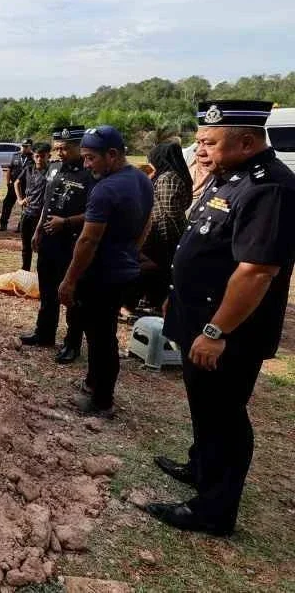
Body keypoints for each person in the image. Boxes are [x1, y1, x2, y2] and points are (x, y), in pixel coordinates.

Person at [148, 100, 294, 537]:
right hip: (200, 318)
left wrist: (215, 330)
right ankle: (200, 466)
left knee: (225, 415)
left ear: (247, 142)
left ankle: (213, 511)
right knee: (205, 406)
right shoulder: (230, 178)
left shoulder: (270, 189)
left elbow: (256, 271)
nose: (201, 152)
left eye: (209, 143)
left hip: (229, 332)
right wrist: (179, 297)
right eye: (199, 143)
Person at [57, 126, 154, 416]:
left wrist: (69, 280)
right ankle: (94, 383)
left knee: (101, 339)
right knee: (102, 333)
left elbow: (88, 239)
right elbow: (147, 222)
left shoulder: (106, 189)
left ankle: (102, 401)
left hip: (100, 275)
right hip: (123, 270)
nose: (86, 165)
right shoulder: (141, 179)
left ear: (112, 155)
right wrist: (132, 252)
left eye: (90, 158)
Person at [20, 127, 93, 363]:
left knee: (73, 295)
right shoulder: (53, 169)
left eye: (65, 148)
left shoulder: (90, 173)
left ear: (79, 147)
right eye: (57, 148)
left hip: (73, 243)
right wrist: (38, 230)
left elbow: (95, 214)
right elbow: (46, 203)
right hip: (49, 241)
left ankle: (72, 344)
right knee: (47, 290)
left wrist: (67, 222)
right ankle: (44, 333)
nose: (60, 153)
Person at [126, 141, 192, 313]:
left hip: (164, 233)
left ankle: (150, 302)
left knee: (158, 268)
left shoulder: (168, 178)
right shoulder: (172, 175)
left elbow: (171, 210)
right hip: (162, 231)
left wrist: (182, 235)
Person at [14, 143, 51, 272]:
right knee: (26, 247)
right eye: (37, 156)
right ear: (33, 157)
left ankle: (41, 276)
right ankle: (25, 272)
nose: (40, 159)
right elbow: (17, 182)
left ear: (48, 156)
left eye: (42, 156)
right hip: (27, 213)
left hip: (43, 216)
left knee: (42, 248)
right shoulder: (29, 169)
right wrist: (20, 200)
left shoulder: (52, 172)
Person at [1, 138, 34, 232]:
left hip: (26, 187)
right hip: (13, 186)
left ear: (30, 147)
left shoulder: (34, 157)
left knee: (25, 207)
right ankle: (3, 224)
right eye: (23, 146)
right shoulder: (15, 156)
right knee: (7, 204)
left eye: (26, 147)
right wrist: (8, 183)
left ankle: (21, 226)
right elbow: (9, 170)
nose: (23, 148)